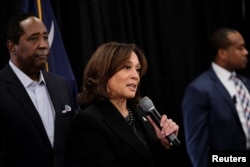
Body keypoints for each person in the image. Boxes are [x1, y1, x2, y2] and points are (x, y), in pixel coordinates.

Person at [69, 41, 179, 166]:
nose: (136, 76)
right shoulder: (88, 121)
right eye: (127, 67)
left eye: (137, 69)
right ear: (105, 71)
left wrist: (165, 144)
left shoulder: (141, 113)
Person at [0, 13, 76, 167]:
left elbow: (72, 146)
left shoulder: (61, 85)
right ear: (11, 47)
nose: (43, 44)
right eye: (33, 38)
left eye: (45, 37)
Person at [182, 27, 250, 167]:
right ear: (222, 53)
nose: (246, 52)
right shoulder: (199, 90)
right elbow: (198, 149)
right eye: (240, 48)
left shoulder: (245, 83)